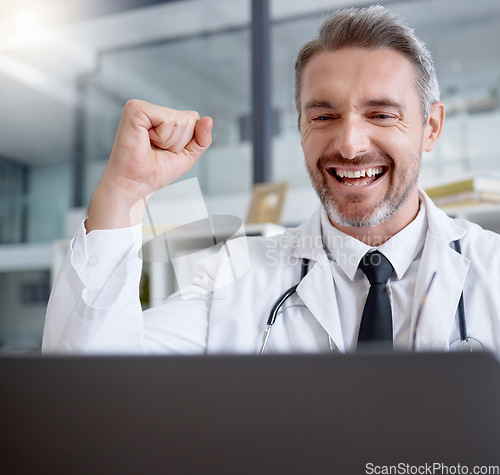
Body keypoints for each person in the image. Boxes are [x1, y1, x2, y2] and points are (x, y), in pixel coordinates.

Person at [42, 5, 500, 354]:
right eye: (323, 115)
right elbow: (91, 388)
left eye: (381, 114)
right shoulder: (233, 277)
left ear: (432, 128)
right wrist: (124, 193)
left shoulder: (492, 270)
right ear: (301, 128)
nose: (350, 144)